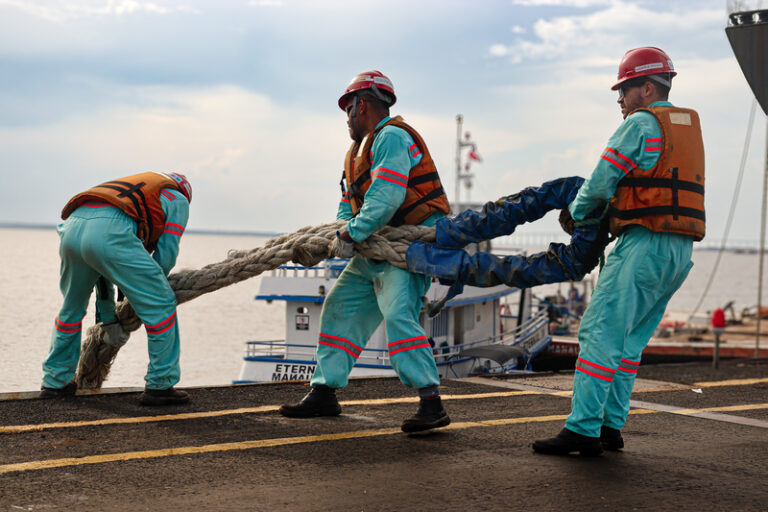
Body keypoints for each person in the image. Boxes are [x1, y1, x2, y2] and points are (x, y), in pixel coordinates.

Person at [533, 47, 705, 455]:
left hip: (643, 244)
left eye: (625, 89)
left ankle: (583, 429)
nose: (621, 100)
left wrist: (576, 214)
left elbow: (599, 179)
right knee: (629, 343)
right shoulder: (686, 127)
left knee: (598, 333)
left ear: (647, 88)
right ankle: (611, 425)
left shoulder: (641, 124)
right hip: (679, 253)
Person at [279, 71, 453, 432]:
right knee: (340, 308)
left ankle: (431, 402)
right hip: (372, 249)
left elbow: (386, 198)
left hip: (404, 251)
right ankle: (325, 391)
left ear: (364, 105)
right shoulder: (356, 153)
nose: (346, 118)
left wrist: (353, 232)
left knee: (398, 317)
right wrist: (344, 231)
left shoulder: (391, 137)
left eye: (349, 108)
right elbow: (349, 202)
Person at [40, 171, 193, 406]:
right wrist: (153, 287)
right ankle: (160, 385)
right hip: (111, 231)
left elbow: (101, 269)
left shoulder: (132, 186)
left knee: (71, 309)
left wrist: (109, 319)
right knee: (161, 307)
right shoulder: (177, 198)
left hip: (71, 229)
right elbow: (167, 249)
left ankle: (54, 382)